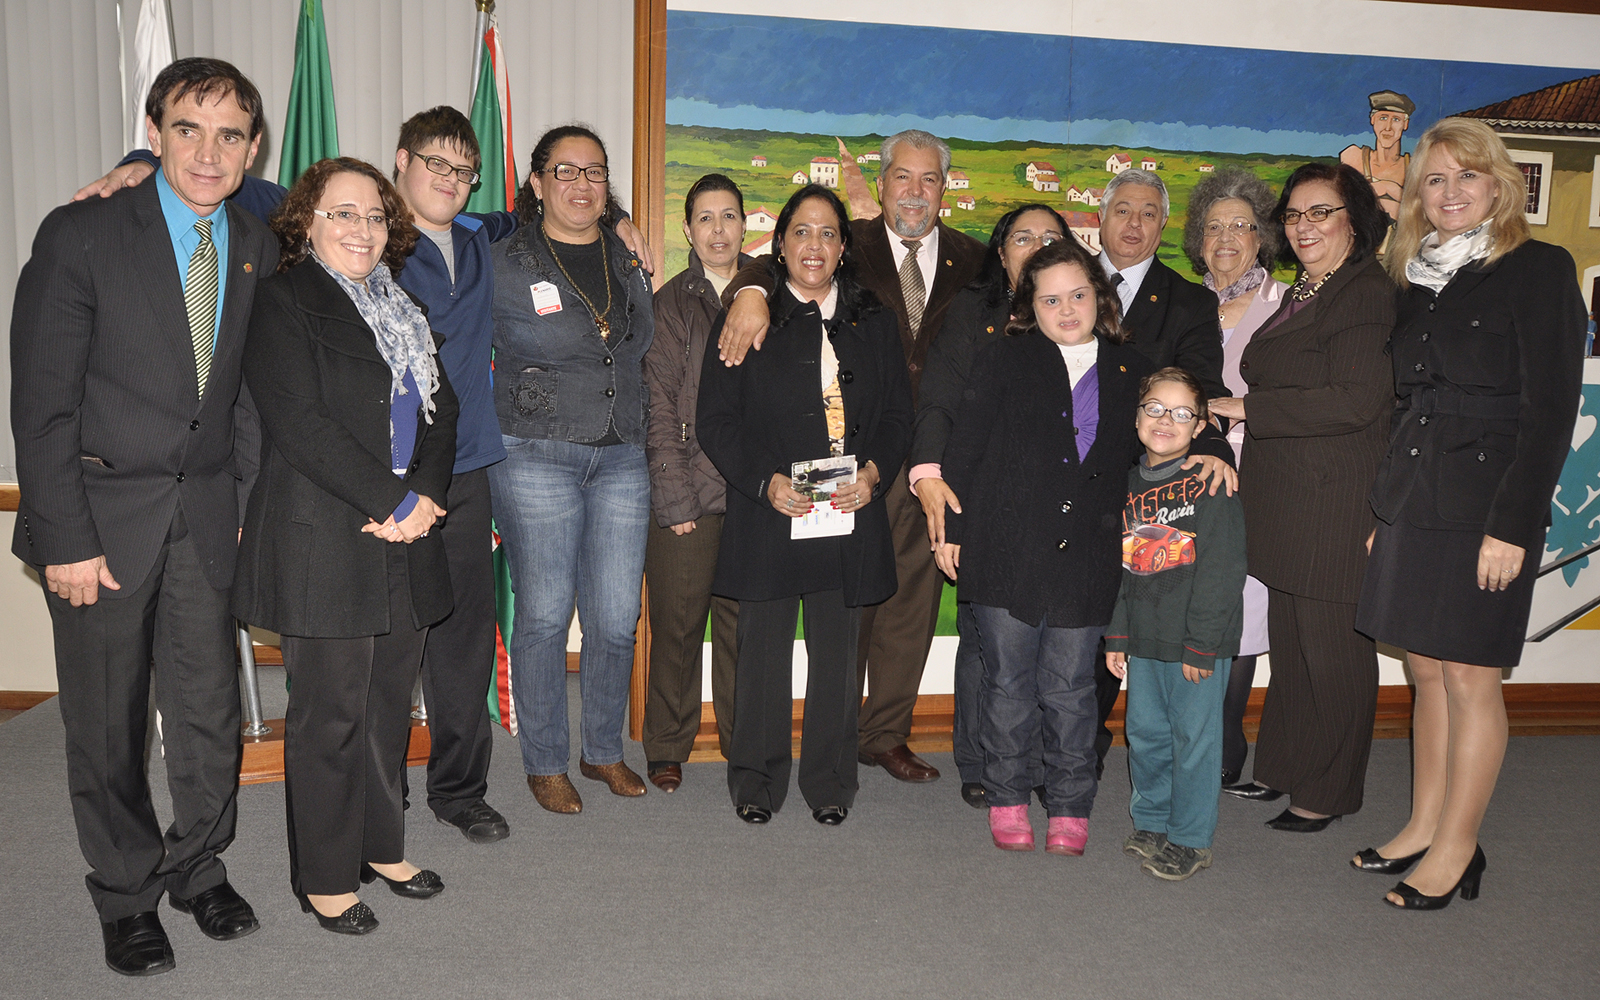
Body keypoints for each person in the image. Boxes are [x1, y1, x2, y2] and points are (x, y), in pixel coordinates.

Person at [79, 106, 655, 843]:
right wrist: (141, 158)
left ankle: (460, 789)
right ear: (400, 164)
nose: (447, 180)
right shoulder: (364, 238)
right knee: (384, 652)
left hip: (464, 469)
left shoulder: (485, 236)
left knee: (463, 638)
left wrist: (624, 216)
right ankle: (385, 803)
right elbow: (246, 191)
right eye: (433, 164)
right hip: (370, 482)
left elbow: (568, 199)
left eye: (462, 169)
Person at [10, 58, 276, 976]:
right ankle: (124, 894)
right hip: (99, 526)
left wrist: (239, 501)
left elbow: (242, 393)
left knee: (207, 712)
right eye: (188, 129)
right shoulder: (81, 233)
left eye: (231, 133)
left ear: (252, 147)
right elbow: (41, 406)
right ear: (153, 131)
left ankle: (199, 865)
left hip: (206, 521)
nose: (210, 151)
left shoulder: (255, 241)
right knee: (108, 720)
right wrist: (67, 542)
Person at [1354, 118, 1585, 909]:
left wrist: (1513, 526)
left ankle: (1457, 849)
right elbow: (1408, 399)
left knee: (1469, 676)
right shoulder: (1412, 276)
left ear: (1498, 185)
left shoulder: (1539, 268)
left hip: (1488, 502)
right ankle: (1422, 822)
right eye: (1435, 180)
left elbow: (1551, 410)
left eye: (1466, 177)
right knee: (1423, 669)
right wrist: (1387, 505)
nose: (1449, 193)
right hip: (1415, 495)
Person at [716, 129, 990, 784]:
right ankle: (822, 742)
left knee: (913, 601)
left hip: (933, 455)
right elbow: (774, 261)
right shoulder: (848, 241)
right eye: (903, 177)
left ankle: (885, 734)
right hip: (854, 451)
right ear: (883, 179)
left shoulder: (973, 261)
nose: (915, 192)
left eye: (929, 180)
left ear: (944, 188)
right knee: (848, 609)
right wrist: (750, 292)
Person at [234, 157, 456, 933]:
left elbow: (444, 411)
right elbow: (301, 427)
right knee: (329, 713)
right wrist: (395, 500)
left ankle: (379, 845)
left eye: (373, 216)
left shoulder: (402, 305)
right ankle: (324, 876)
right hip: (324, 533)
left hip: (405, 531)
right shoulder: (282, 301)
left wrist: (423, 498)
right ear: (307, 224)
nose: (361, 229)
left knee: (387, 705)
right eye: (342, 213)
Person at [697, 184, 912, 825]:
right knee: (761, 655)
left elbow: (900, 414)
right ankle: (756, 782)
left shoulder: (873, 320)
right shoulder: (748, 315)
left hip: (848, 507)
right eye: (801, 232)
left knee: (838, 658)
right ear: (780, 245)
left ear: (843, 247)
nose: (813, 245)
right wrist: (763, 482)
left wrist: (875, 472)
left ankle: (829, 783)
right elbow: (715, 421)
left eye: (827, 233)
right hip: (772, 510)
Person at [937, 239, 1154, 857]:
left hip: (1088, 557)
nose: (1066, 310)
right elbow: (965, 452)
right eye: (1050, 299)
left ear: (1099, 297)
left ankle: (1069, 804)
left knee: (1070, 687)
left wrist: (1215, 452)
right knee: (1007, 684)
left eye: (1078, 295)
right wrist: (952, 532)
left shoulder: (1133, 369)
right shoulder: (1003, 360)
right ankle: (1007, 797)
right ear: (1030, 307)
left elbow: (1176, 427)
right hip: (1005, 548)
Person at [1209, 163, 1396, 832]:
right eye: (1294, 214)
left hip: (1333, 503)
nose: (1305, 225)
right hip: (1288, 503)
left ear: (1355, 220)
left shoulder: (1365, 294)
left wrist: (1250, 407)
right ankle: (1284, 770)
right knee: (1292, 651)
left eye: (1322, 212)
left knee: (1332, 654)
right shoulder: (1308, 290)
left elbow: (1355, 400)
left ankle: (1328, 790)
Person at [489, 125, 655, 814]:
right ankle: (547, 760)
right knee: (547, 614)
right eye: (565, 171)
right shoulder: (499, 258)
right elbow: (433, 215)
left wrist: (621, 222)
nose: (581, 184)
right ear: (536, 182)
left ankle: (604, 752)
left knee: (618, 619)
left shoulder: (627, 255)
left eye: (595, 171)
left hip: (623, 453)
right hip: (536, 453)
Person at [910, 204, 1070, 806]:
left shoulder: (1082, 315)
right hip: (982, 498)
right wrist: (928, 475)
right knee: (986, 638)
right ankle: (980, 761)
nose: (1033, 247)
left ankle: (1038, 761)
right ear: (1000, 254)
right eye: (1020, 237)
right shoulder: (972, 314)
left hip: (1060, 505)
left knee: (1055, 640)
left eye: (1048, 238)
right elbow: (939, 404)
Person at [1090, 168, 1230, 773]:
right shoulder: (1062, 282)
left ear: (1164, 226)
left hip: (1143, 491)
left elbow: (1205, 388)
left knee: (1116, 617)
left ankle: (1085, 748)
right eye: (1123, 210)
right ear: (1100, 217)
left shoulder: (1190, 301)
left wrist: (1216, 453)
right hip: (1058, 481)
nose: (1134, 224)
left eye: (1149, 213)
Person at [1106, 368, 1247, 881]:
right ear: (1137, 416)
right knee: (1145, 734)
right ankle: (1151, 820)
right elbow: (1119, 568)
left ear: (1201, 425)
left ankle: (1190, 837)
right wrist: (1118, 636)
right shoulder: (1125, 485)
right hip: (1144, 641)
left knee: (1195, 741)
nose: (1166, 420)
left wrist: (1202, 646)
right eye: (1155, 409)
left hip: (1196, 646)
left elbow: (1223, 572)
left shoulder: (1210, 484)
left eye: (1182, 413)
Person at [1178, 168, 1287, 788]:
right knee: (1187, 596)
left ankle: (1226, 730)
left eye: (1241, 225)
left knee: (1242, 603)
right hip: (1180, 476)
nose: (1226, 237)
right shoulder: (1182, 301)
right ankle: (1186, 729)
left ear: (1262, 235)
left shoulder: (1288, 306)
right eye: (1214, 225)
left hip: (1255, 475)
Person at [641, 174, 747, 790]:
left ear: (744, 225)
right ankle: (667, 743)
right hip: (690, 491)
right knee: (679, 625)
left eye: (728, 216)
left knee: (743, 627)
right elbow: (656, 407)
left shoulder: (770, 291)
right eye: (704, 219)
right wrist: (673, 496)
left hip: (758, 496)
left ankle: (743, 740)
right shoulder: (670, 304)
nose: (717, 230)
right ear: (687, 230)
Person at [1340, 90, 1414, 223]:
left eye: (1396, 119)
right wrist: (1388, 189)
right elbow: (1345, 202)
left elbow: (1419, 211)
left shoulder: (1413, 166)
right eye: (1383, 118)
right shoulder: (1353, 157)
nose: (1388, 128)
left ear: (1405, 124)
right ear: (1373, 120)